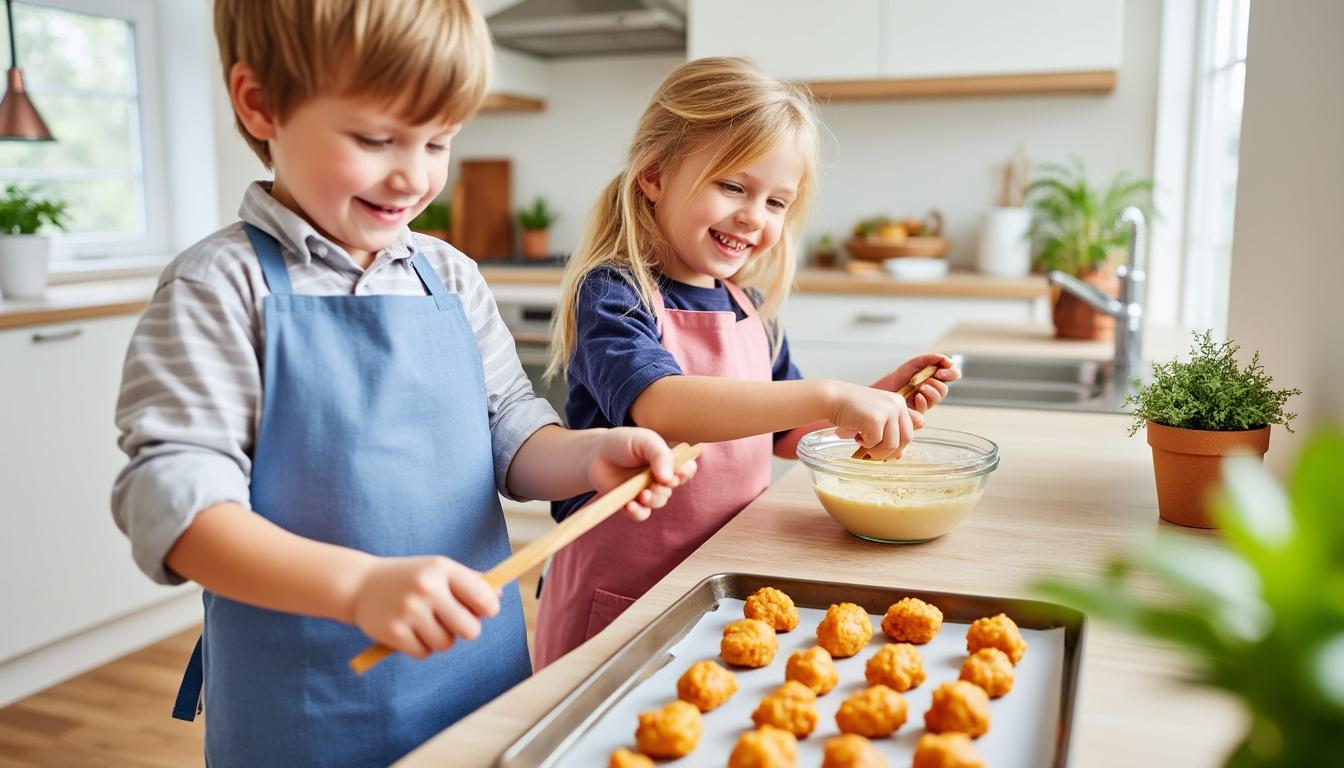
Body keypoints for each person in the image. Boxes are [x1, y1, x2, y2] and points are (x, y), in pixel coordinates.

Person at [110, 2, 693, 765]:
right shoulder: (220, 288)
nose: (413, 174)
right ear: (260, 104)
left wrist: (586, 457)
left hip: (474, 672)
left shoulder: (447, 273)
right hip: (309, 699)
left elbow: (510, 428)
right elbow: (171, 502)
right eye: (376, 139)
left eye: (439, 141)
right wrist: (357, 588)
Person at [534, 58, 958, 668]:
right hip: (620, 593)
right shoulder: (615, 292)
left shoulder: (749, 307)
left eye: (776, 201)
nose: (754, 217)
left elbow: (785, 433)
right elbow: (662, 404)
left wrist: (872, 398)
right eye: (733, 186)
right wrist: (829, 396)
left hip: (724, 580)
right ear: (654, 175)